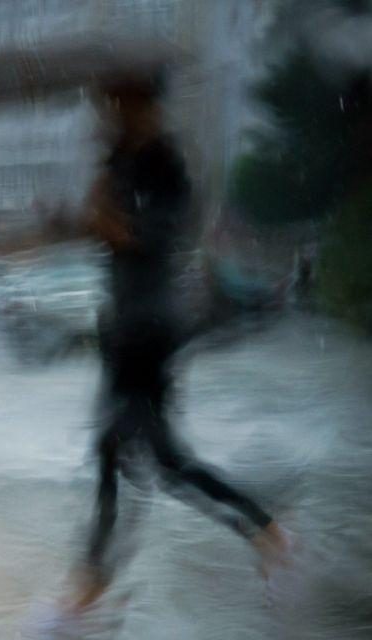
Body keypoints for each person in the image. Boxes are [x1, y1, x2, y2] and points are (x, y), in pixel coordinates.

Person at [66, 75, 289, 612]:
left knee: (120, 448)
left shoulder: (167, 165)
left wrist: (115, 224)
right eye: (105, 103)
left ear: (143, 105)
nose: (107, 112)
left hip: (150, 330)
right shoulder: (117, 163)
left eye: (116, 101)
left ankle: (91, 582)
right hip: (122, 327)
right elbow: (109, 241)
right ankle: (264, 530)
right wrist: (91, 214)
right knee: (159, 460)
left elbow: (162, 236)